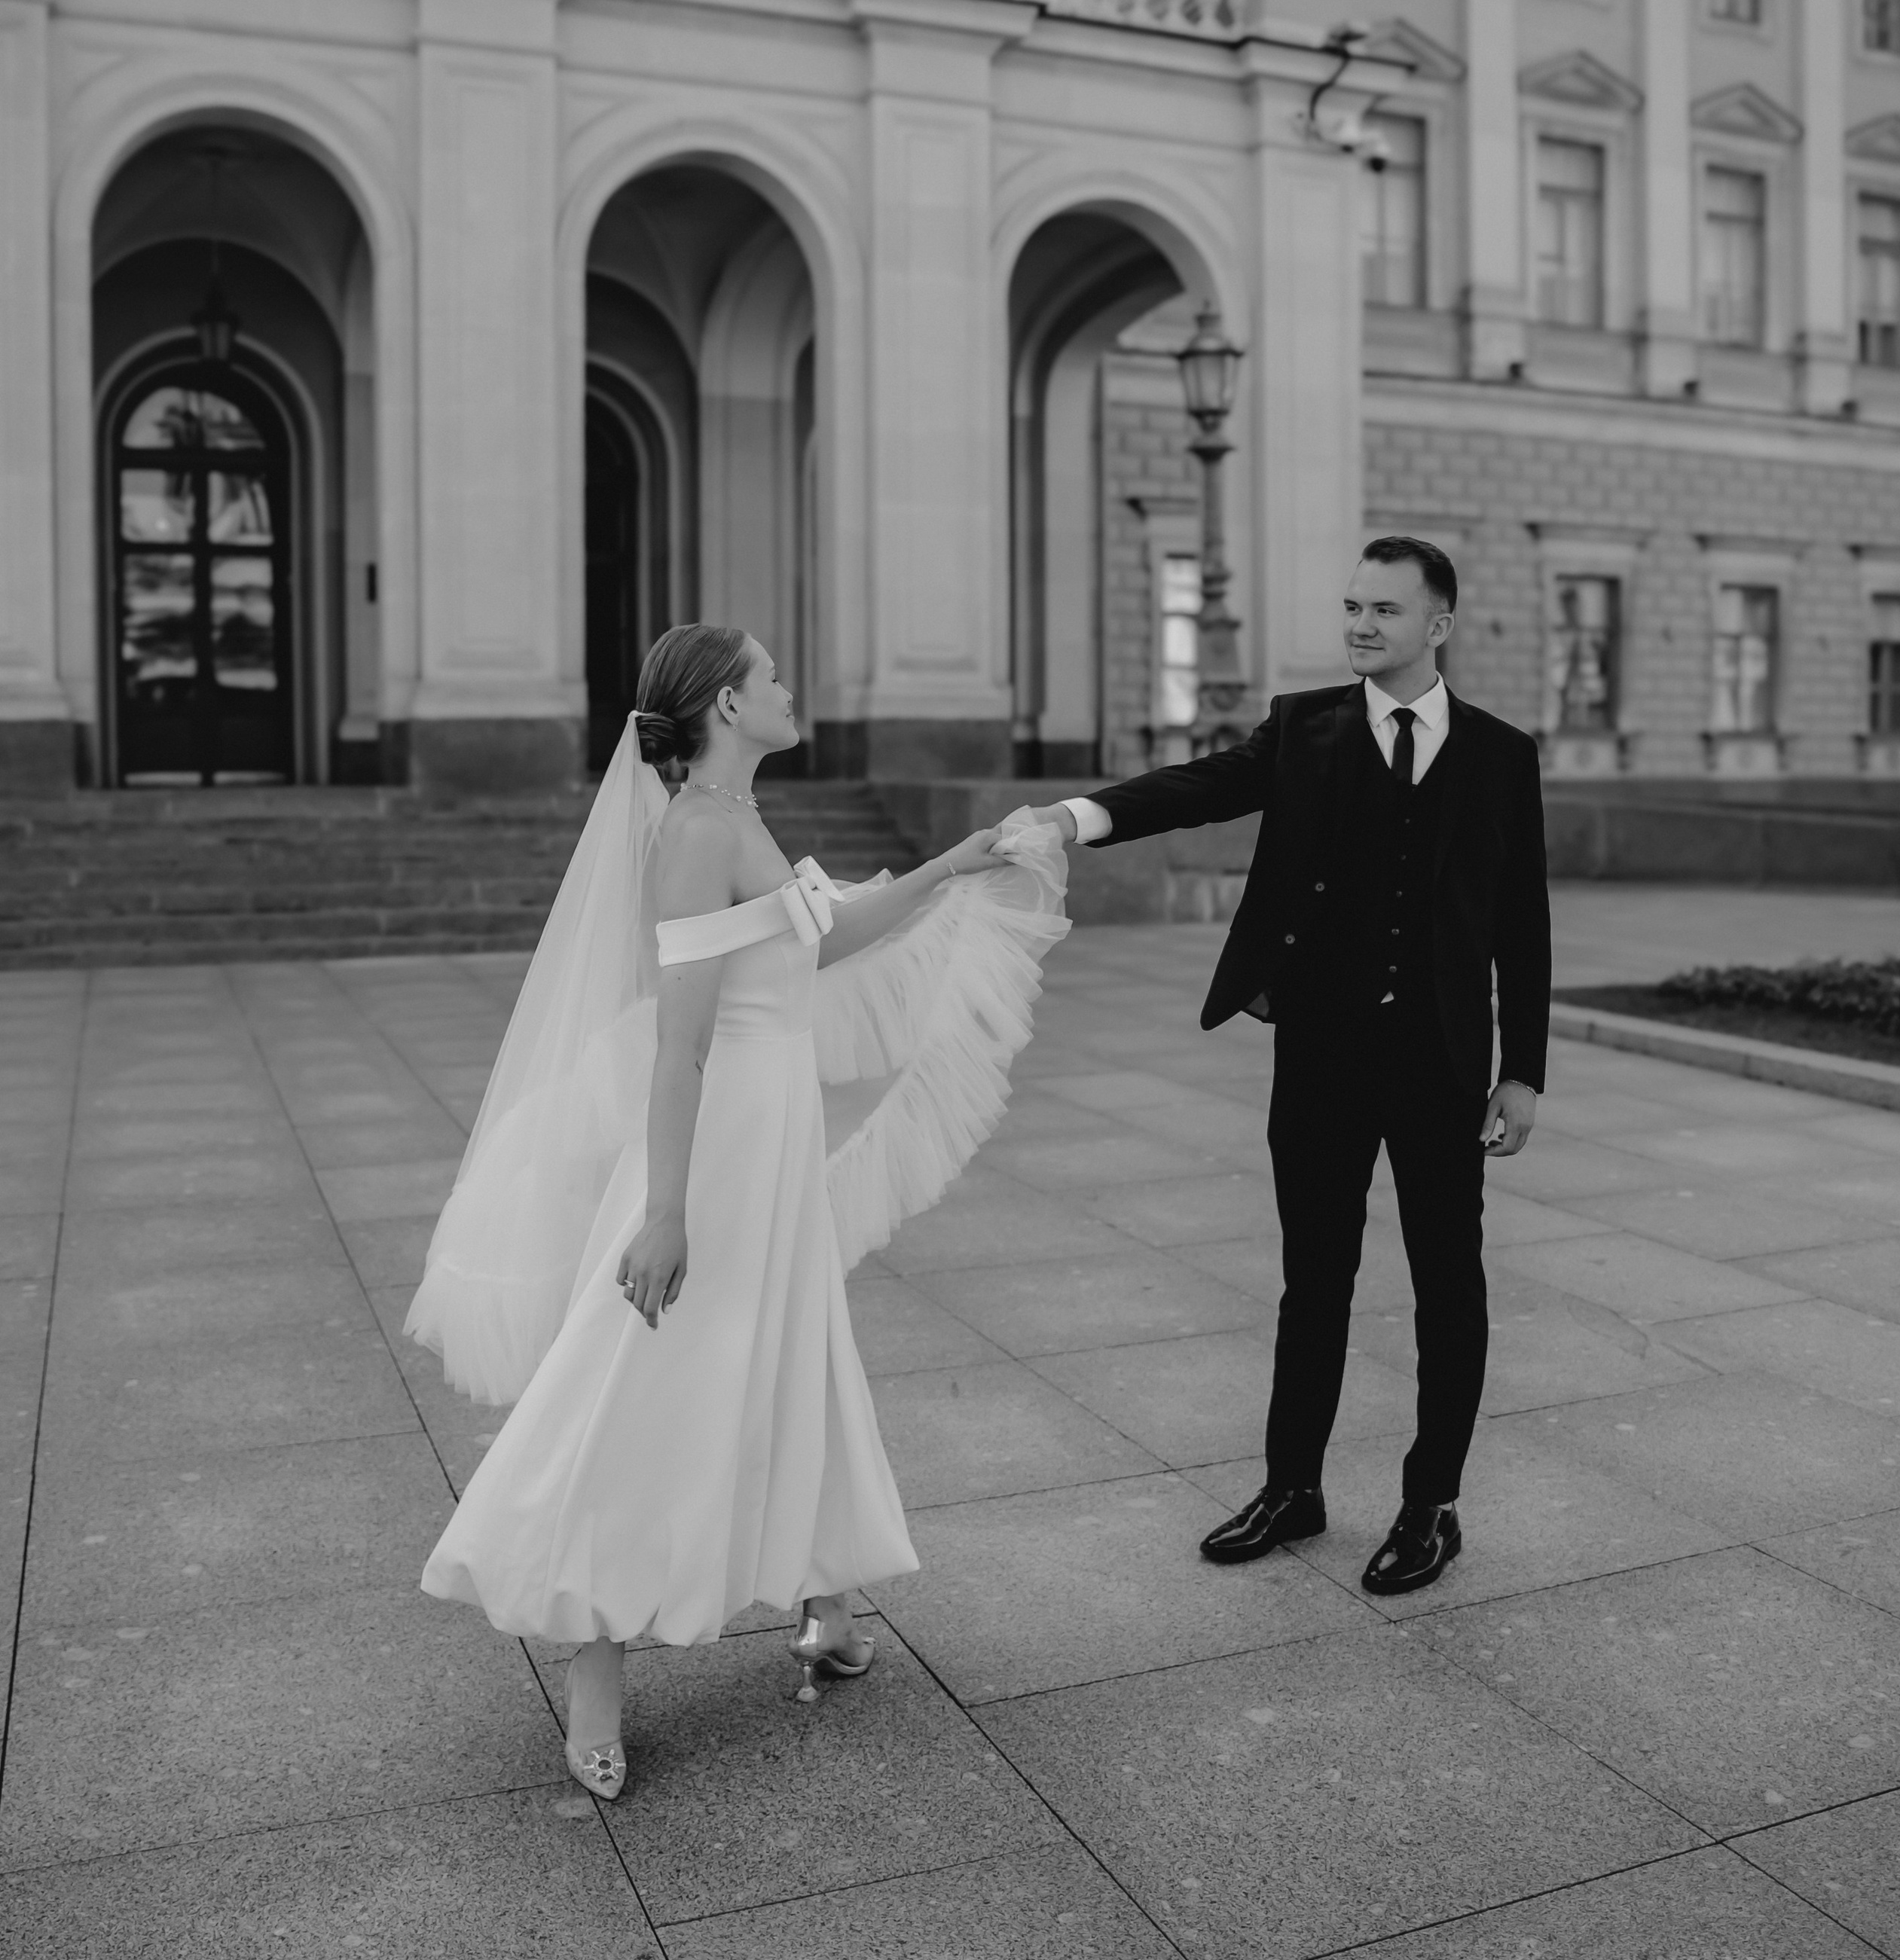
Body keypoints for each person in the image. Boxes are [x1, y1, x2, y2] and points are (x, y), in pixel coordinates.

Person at [406, 624, 1067, 1798]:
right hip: (712, 1155)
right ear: (726, 702)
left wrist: (949, 867)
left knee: (793, 1363)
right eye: (771, 676)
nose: (790, 688)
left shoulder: (741, 818)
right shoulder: (698, 834)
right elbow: (680, 1044)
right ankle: (596, 1678)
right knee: (644, 1385)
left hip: (773, 1144)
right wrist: (662, 1211)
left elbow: (824, 940)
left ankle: (827, 1605)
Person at [1041, 536, 1550, 1597]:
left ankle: (1430, 1506)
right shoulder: (1305, 727)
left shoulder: (1503, 756)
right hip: (1321, 1053)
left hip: (1443, 1062)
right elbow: (1202, 786)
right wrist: (1081, 817)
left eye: (1385, 610)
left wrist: (1524, 1070)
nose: (1361, 625)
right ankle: (1292, 1487)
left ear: (1439, 627)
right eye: (1353, 606)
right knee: (1312, 1280)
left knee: (1447, 1285)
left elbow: (1522, 924)